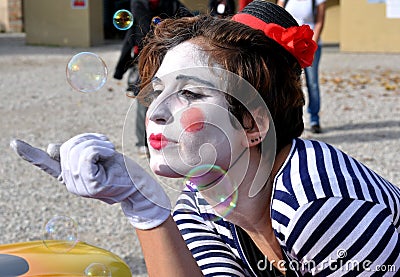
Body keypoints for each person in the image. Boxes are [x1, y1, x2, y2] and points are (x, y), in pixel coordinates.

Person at [11, 1, 400, 276]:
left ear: (252, 125)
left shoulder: (322, 208)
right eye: (157, 92)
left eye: (191, 94)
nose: (156, 112)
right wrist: (142, 206)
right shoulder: (203, 201)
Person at [113, 0, 192, 155]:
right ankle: (142, 141)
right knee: (144, 100)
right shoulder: (138, 4)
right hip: (146, 61)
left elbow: (188, 17)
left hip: (167, 60)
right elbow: (134, 34)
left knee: (170, 100)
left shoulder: (172, 3)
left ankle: (168, 137)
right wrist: (120, 69)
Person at [277, 0, 326, 134]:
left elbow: (320, 22)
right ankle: (294, 120)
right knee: (292, 83)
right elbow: (278, 18)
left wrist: (310, 45)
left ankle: (314, 119)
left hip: (310, 45)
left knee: (312, 83)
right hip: (289, 46)